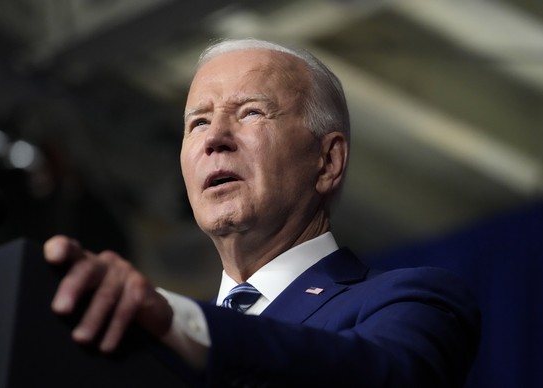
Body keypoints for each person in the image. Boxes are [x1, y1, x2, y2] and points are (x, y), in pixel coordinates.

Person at [44, 38, 480, 387]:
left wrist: (184, 322)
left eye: (251, 113)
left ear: (327, 161)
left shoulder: (411, 300)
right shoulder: (155, 338)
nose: (214, 138)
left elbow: (389, 375)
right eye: (197, 122)